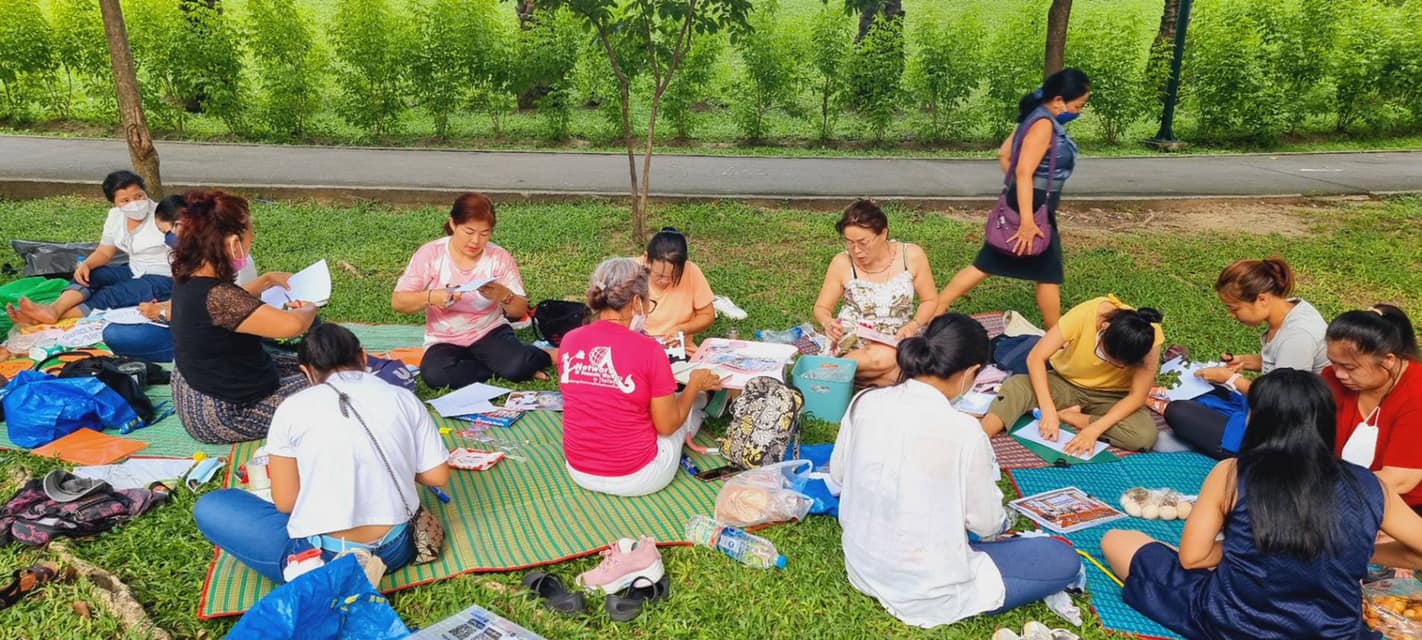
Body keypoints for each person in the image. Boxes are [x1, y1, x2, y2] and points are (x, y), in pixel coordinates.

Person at [1102, 369, 1422, 639]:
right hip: (1331, 632)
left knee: (1118, 540)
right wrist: (1346, 551)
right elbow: (1416, 552)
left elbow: (1192, 558)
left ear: (1257, 418)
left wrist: (1253, 548)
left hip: (1233, 623)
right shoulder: (1369, 485)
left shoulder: (1233, 472)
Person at [831, 313, 1081, 628]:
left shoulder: (865, 401)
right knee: (1062, 559)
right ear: (972, 372)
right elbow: (987, 523)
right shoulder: (964, 431)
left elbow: (839, 476)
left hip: (862, 564)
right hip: (927, 589)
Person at [194, 324, 451, 584]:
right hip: (397, 548)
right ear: (362, 357)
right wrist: (398, 460)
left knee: (212, 506)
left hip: (325, 557)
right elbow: (437, 475)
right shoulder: (403, 398)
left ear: (306, 371)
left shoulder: (291, 409)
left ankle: (327, 575)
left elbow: (286, 503)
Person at [934, 69, 1091, 330]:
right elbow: (1022, 170)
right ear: (1059, 100)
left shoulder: (1034, 116)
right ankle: (1057, 336)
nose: (1079, 111)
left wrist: (1015, 192)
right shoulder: (1043, 125)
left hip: (1027, 200)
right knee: (1048, 271)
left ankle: (937, 307)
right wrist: (1028, 221)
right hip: (1034, 206)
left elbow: (1004, 155)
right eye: (1078, 105)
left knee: (991, 263)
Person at [559, 258, 723, 497]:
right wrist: (695, 384)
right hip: (638, 475)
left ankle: (698, 400)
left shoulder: (570, 340)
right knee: (684, 414)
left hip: (579, 470)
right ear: (637, 302)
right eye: (649, 303)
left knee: (657, 404)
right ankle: (701, 403)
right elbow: (666, 427)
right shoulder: (648, 349)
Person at [170, 190, 318, 444]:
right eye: (248, 229)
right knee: (338, 383)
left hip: (200, 389)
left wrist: (266, 280)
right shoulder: (218, 295)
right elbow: (293, 326)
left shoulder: (192, 276)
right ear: (232, 243)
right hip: (226, 414)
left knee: (314, 364)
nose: (252, 236)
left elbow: (226, 305)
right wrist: (310, 306)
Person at [1154, 258, 1329, 458]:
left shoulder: (1298, 337)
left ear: (1262, 299)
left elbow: (1282, 400)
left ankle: (1227, 447)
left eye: (1234, 308)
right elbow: (1283, 363)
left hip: (1283, 430)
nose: (1231, 315)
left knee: (1178, 411)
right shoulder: (1291, 309)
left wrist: (1231, 379)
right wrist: (1244, 361)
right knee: (1204, 390)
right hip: (1266, 405)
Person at [392, 193, 550, 389]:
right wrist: (431, 297)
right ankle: (501, 367)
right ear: (453, 224)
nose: (475, 241)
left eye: (484, 234)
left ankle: (525, 360)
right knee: (435, 375)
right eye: (469, 231)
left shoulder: (498, 257)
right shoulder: (431, 254)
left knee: (517, 365)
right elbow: (398, 302)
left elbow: (519, 310)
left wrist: (504, 295)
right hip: (444, 339)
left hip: (489, 331)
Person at [981, 295, 1163, 455]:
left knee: (1143, 436)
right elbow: (1036, 357)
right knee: (1017, 387)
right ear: (1104, 328)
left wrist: (1094, 430)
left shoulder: (1149, 339)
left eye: (1120, 365)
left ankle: (1070, 416)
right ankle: (980, 438)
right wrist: (1048, 409)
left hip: (1113, 397)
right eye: (1105, 356)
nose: (1110, 365)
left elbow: (1137, 396)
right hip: (1066, 382)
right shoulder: (1088, 313)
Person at [101, 195, 262, 362]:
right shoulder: (193, 259)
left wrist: (164, 313)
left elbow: (220, 309)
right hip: (202, 331)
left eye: (170, 231)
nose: (169, 240)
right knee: (114, 331)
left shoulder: (220, 260)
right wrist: (167, 307)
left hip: (212, 339)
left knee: (117, 335)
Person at [8, 170, 174, 326]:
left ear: (146, 193)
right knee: (92, 275)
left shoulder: (164, 216)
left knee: (112, 294)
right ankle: (53, 310)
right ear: (115, 203)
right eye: (125, 200)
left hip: (165, 277)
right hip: (135, 270)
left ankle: (45, 318)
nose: (135, 203)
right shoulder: (115, 217)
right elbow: (104, 251)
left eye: (139, 196)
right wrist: (86, 265)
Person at [812, 199, 938, 387]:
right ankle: (831, 369)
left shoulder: (911, 256)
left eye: (863, 242)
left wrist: (914, 325)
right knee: (889, 360)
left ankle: (852, 376)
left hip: (897, 337)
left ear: (883, 234)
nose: (856, 250)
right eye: (849, 243)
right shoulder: (842, 263)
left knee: (896, 361)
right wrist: (827, 322)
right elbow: (822, 307)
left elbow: (929, 300)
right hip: (853, 341)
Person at [1323, 304, 1422, 511]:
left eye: (1350, 367)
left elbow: (1401, 479)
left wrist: (1321, 492)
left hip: (1404, 506)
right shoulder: (1331, 378)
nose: (1339, 373)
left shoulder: (1416, 394)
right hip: (1341, 493)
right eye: (1334, 363)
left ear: (1388, 360)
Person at [637, 227, 715, 349]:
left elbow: (707, 315)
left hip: (676, 350)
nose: (665, 281)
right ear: (646, 259)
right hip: (636, 348)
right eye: (659, 275)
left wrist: (681, 329)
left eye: (673, 276)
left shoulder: (691, 271)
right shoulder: (628, 272)